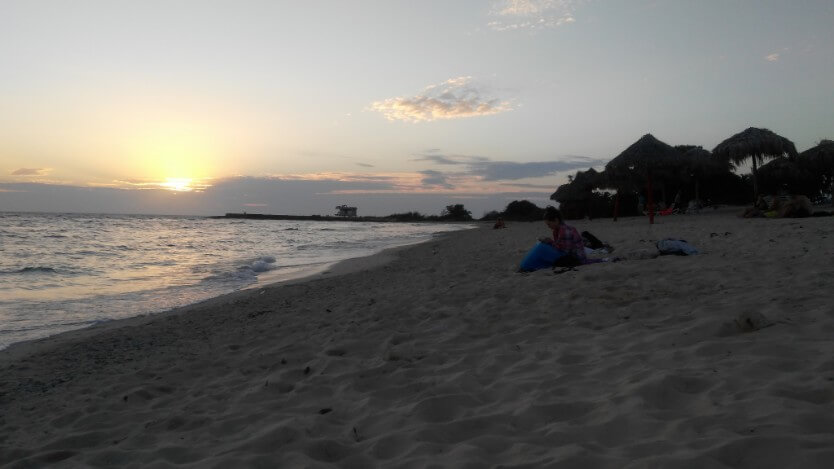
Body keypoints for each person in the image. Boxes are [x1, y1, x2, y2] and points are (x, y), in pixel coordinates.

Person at [518, 207, 586, 272]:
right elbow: (560, 246)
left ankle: (525, 267)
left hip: (575, 259)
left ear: (556, 220)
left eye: (549, 224)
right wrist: (549, 242)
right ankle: (526, 267)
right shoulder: (558, 230)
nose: (548, 227)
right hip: (568, 256)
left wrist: (550, 242)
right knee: (540, 245)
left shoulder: (565, 230)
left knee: (541, 248)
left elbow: (565, 250)